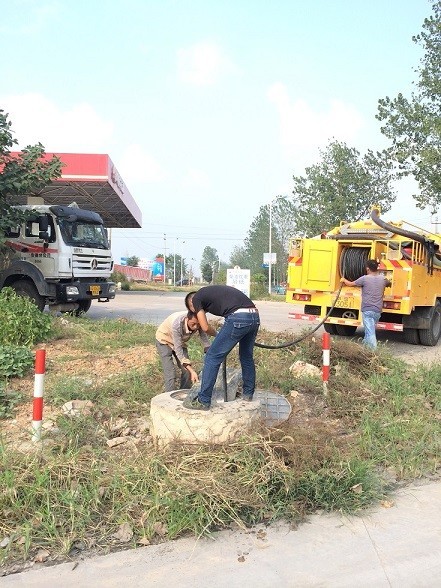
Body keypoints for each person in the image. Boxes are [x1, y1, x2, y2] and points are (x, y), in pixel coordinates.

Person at [183, 285, 260, 410]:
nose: (195, 312)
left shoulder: (196, 298)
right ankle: (248, 394)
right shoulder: (210, 293)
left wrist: (218, 335)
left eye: (194, 310)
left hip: (238, 318)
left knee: (212, 357)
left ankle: (203, 400)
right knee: (246, 357)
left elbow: (205, 327)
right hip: (254, 316)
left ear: (192, 303)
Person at [341, 259, 391, 350]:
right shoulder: (383, 279)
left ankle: (373, 353)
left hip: (367, 310)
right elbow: (389, 283)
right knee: (369, 331)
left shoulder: (364, 279)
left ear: (367, 269)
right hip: (377, 311)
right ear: (377, 268)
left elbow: (351, 284)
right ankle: (365, 349)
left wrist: (343, 279)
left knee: (370, 332)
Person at [155, 311, 211, 392]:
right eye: (193, 324)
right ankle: (169, 398)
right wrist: (192, 370)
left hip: (179, 341)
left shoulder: (199, 321)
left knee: (187, 372)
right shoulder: (177, 324)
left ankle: (184, 393)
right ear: (187, 319)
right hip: (164, 339)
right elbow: (178, 350)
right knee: (170, 373)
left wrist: (209, 352)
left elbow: (204, 339)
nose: (196, 327)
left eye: (198, 324)